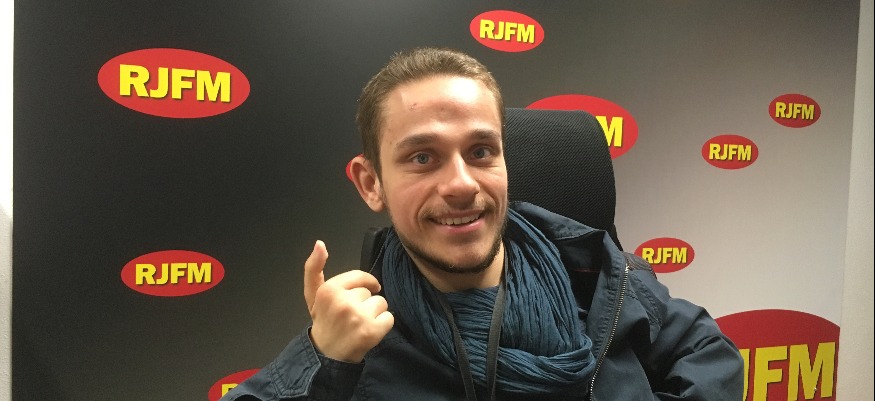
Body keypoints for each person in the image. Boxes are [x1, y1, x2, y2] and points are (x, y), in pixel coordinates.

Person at [221, 47, 744, 401]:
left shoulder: (593, 270)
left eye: (480, 152)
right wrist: (322, 360)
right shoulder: (358, 343)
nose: (461, 184)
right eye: (422, 158)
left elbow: (707, 352)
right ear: (371, 183)